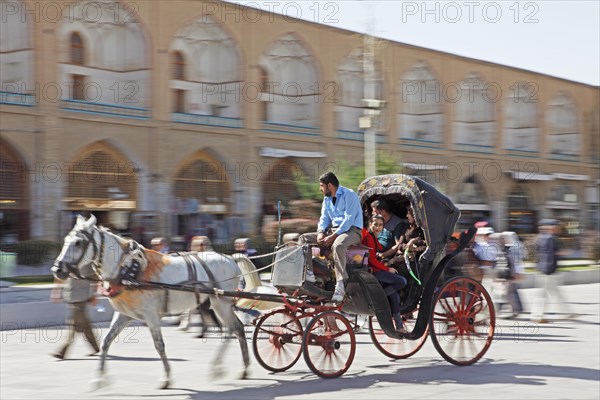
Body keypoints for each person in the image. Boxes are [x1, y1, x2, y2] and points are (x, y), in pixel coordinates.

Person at [299, 172, 363, 302]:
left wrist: (333, 236)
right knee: (303, 238)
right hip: (332, 231)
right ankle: (309, 273)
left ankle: (340, 284)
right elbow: (324, 218)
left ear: (330, 185)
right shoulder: (327, 199)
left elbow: (349, 220)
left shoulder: (349, 195)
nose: (320, 189)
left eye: (322, 186)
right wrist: (321, 232)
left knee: (338, 245)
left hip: (352, 231)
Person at [362, 214, 408, 333]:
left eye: (381, 225)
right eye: (375, 224)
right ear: (370, 225)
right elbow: (371, 260)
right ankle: (380, 298)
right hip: (373, 272)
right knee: (402, 281)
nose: (378, 227)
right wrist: (387, 269)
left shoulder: (374, 238)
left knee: (395, 295)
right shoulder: (368, 237)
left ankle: (399, 326)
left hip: (376, 270)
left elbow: (376, 256)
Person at [50, 272, 100, 360]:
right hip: (72, 296)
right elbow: (59, 275)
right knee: (85, 324)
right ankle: (96, 347)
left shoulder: (86, 264)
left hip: (81, 298)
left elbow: (95, 277)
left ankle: (62, 351)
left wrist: (94, 294)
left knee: (73, 325)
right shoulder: (68, 262)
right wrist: (56, 291)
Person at [532, 219, 573, 323]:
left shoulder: (539, 238)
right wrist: (564, 252)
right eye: (556, 226)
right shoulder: (550, 238)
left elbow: (538, 254)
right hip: (548, 270)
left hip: (542, 269)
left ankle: (567, 313)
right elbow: (550, 254)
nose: (558, 228)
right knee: (544, 294)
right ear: (551, 227)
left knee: (554, 292)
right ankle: (538, 316)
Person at [501, 231, 526, 318]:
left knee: (510, 292)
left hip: (514, 272)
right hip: (513, 272)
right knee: (512, 291)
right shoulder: (516, 246)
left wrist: (517, 273)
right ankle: (517, 309)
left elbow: (516, 262)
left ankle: (515, 310)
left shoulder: (514, 248)